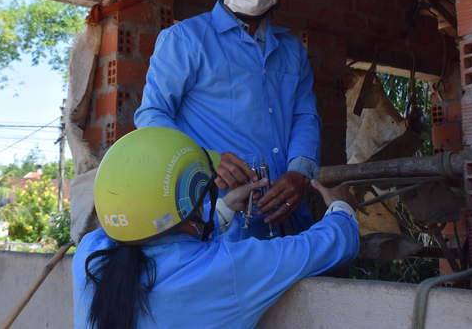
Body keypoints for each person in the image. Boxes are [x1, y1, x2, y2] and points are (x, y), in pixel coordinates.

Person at [134, 0, 320, 240]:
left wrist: (299, 173)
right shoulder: (185, 41)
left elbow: (305, 116)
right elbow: (151, 116)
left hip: (291, 224)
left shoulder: (292, 50)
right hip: (217, 224)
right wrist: (203, 159)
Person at [73, 127, 359, 329]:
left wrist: (222, 208)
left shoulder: (88, 254)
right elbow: (325, 247)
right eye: (203, 199)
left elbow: (166, 236)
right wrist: (342, 209)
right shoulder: (228, 271)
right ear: (190, 206)